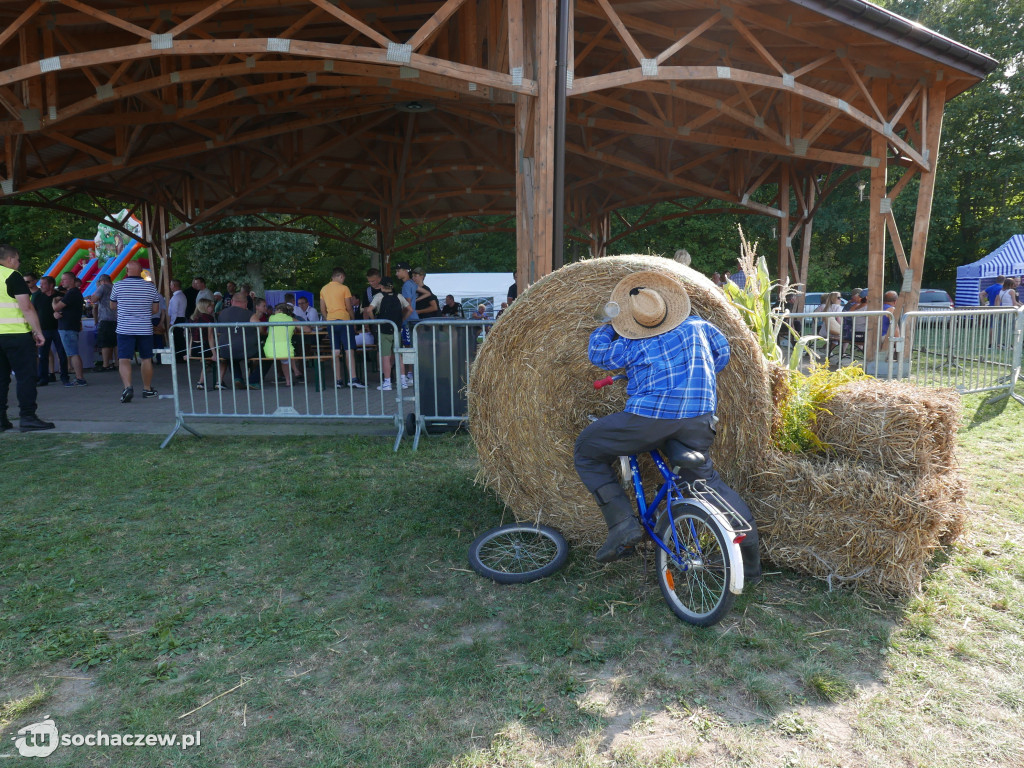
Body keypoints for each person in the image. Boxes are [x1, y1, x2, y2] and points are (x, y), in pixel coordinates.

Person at [573, 271, 761, 579]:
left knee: (586, 448)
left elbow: (599, 354)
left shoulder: (634, 341)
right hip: (699, 421)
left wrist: (609, 326)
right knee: (703, 482)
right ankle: (749, 557)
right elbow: (722, 355)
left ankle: (622, 525)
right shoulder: (701, 327)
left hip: (649, 419)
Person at [0, 244, 55, 432]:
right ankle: (28, 417)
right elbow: (26, 307)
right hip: (16, 335)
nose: (18, 262)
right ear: (9, 259)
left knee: (1, 379)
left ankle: (1, 420)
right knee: (26, 377)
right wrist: (38, 332)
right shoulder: (12, 276)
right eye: (17, 259)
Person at [109, 259, 162, 403]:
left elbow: (112, 306)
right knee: (146, 358)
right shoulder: (150, 287)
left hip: (124, 328)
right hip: (145, 328)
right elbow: (156, 309)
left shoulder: (118, 286)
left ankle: (127, 387)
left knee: (124, 359)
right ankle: (147, 388)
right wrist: (142, 312)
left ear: (127, 271)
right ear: (141, 272)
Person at [319, 266, 365, 389]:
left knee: (335, 351)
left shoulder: (323, 289)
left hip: (331, 322)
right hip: (344, 321)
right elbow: (349, 307)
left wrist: (328, 318)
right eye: (343, 278)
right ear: (340, 276)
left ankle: (338, 381)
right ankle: (353, 379)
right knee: (349, 350)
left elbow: (322, 309)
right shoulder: (344, 288)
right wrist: (353, 319)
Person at [363, 276, 412, 390]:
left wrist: (374, 320)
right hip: (397, 329)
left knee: (385, 356)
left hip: (384, 330)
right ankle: (403, 381)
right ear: (392, 286)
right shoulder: (399, 296)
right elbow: (410, 309)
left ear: (381, 286)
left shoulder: (379, 296)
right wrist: (403, 319)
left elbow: (369, 310)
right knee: (398, 355)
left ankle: (387, 382)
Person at [32, 276, 69, 387]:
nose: (41, 286)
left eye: (43, 284)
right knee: (43, 355)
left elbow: (69, 310)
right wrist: (35, 330)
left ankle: (64, 377)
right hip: (43, 329)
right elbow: (34, 313)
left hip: (59, 328)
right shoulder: (38, 297)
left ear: (51, 285)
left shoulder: (61, 296)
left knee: (62, 353)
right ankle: (43, 378)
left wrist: (62, 314)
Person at [216, 291, 259, 388]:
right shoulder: (250, 314)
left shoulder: (222, 314)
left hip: (225, 349)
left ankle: (237, 378)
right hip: (247, 349)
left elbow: (218, 332)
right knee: (266, 356)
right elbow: (260, 328)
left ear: (232, 301)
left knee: (230, 354)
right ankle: (253, 381)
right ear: (246, 303)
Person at [53, 271, 87, 386]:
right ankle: (79, 377)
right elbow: (64, 310)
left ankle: (80, 378)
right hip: (69, 326)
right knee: (71, 352)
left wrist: (54, 301)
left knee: (72, 353)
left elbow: (57, 307)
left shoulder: (72, 293)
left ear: (72, 280)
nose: (62, 282)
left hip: (68, 327)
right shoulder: (73, 293)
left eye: (64, 279)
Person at [393, 262, 418, 388]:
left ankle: (411, 375)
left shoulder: (406, 286)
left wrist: (402, 319)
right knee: (410, 348)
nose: (396, 273)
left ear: (405, 271)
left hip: (409, 320)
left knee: (408, 348)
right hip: (413, 320)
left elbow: (408, 306)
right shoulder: (413, 284)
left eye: (398, 271)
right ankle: (411, 374)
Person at [89, 274, 117, 371]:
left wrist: (96, 289)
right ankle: (118, 363)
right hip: (117, 318)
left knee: (105, 343)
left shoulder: (102, 287)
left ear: (102, 281)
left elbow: (94, 300)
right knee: (116, 343)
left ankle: (106, 364)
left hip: (106, 318)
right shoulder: (115, 287)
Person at [263, 302, 296, 387]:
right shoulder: (291, 319)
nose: (274, 311)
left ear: (280, 310)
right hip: (285, 350)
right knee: (286, 359)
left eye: (276, 309)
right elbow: (307, 329)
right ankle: (288, 381)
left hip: (269, 349)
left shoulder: (271, 318)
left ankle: (255, 378)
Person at [190, 298, 218, 390]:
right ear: (205, 307)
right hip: (204, 347)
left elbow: (191, 337)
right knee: (221, 356)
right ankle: (218, 381)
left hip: (195, 348)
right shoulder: (209, 318)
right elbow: (210, 337)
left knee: (207, 360)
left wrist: (189, 352)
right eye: (210, 306)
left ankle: (201, 382)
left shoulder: (193, 318)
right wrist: (214, 353)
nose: (212, 308)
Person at [168, 279, 188, 360]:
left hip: (177, 319)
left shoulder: (176, 297)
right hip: (181, 318)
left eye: (171, 285)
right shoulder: (182, 295)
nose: (170, 287)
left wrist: (172, 322)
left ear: (174, 286)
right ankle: (181, 355)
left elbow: (174, 311)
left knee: (177, 338)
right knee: (180, 338)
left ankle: (178, 357)